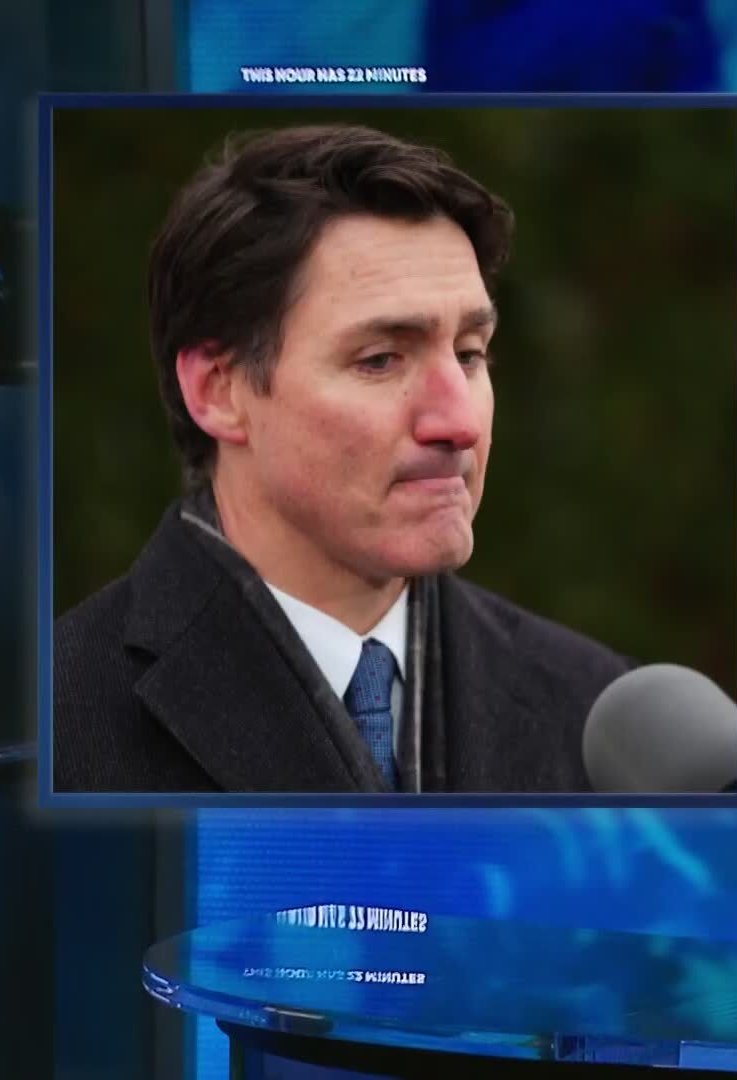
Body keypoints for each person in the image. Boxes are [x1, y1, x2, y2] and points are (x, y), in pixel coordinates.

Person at [53, 125, 627, 793]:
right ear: (218, 391)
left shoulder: (597, 717)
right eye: (380, 360)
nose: (461, 423)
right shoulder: (47, 726)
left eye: (470, 354)